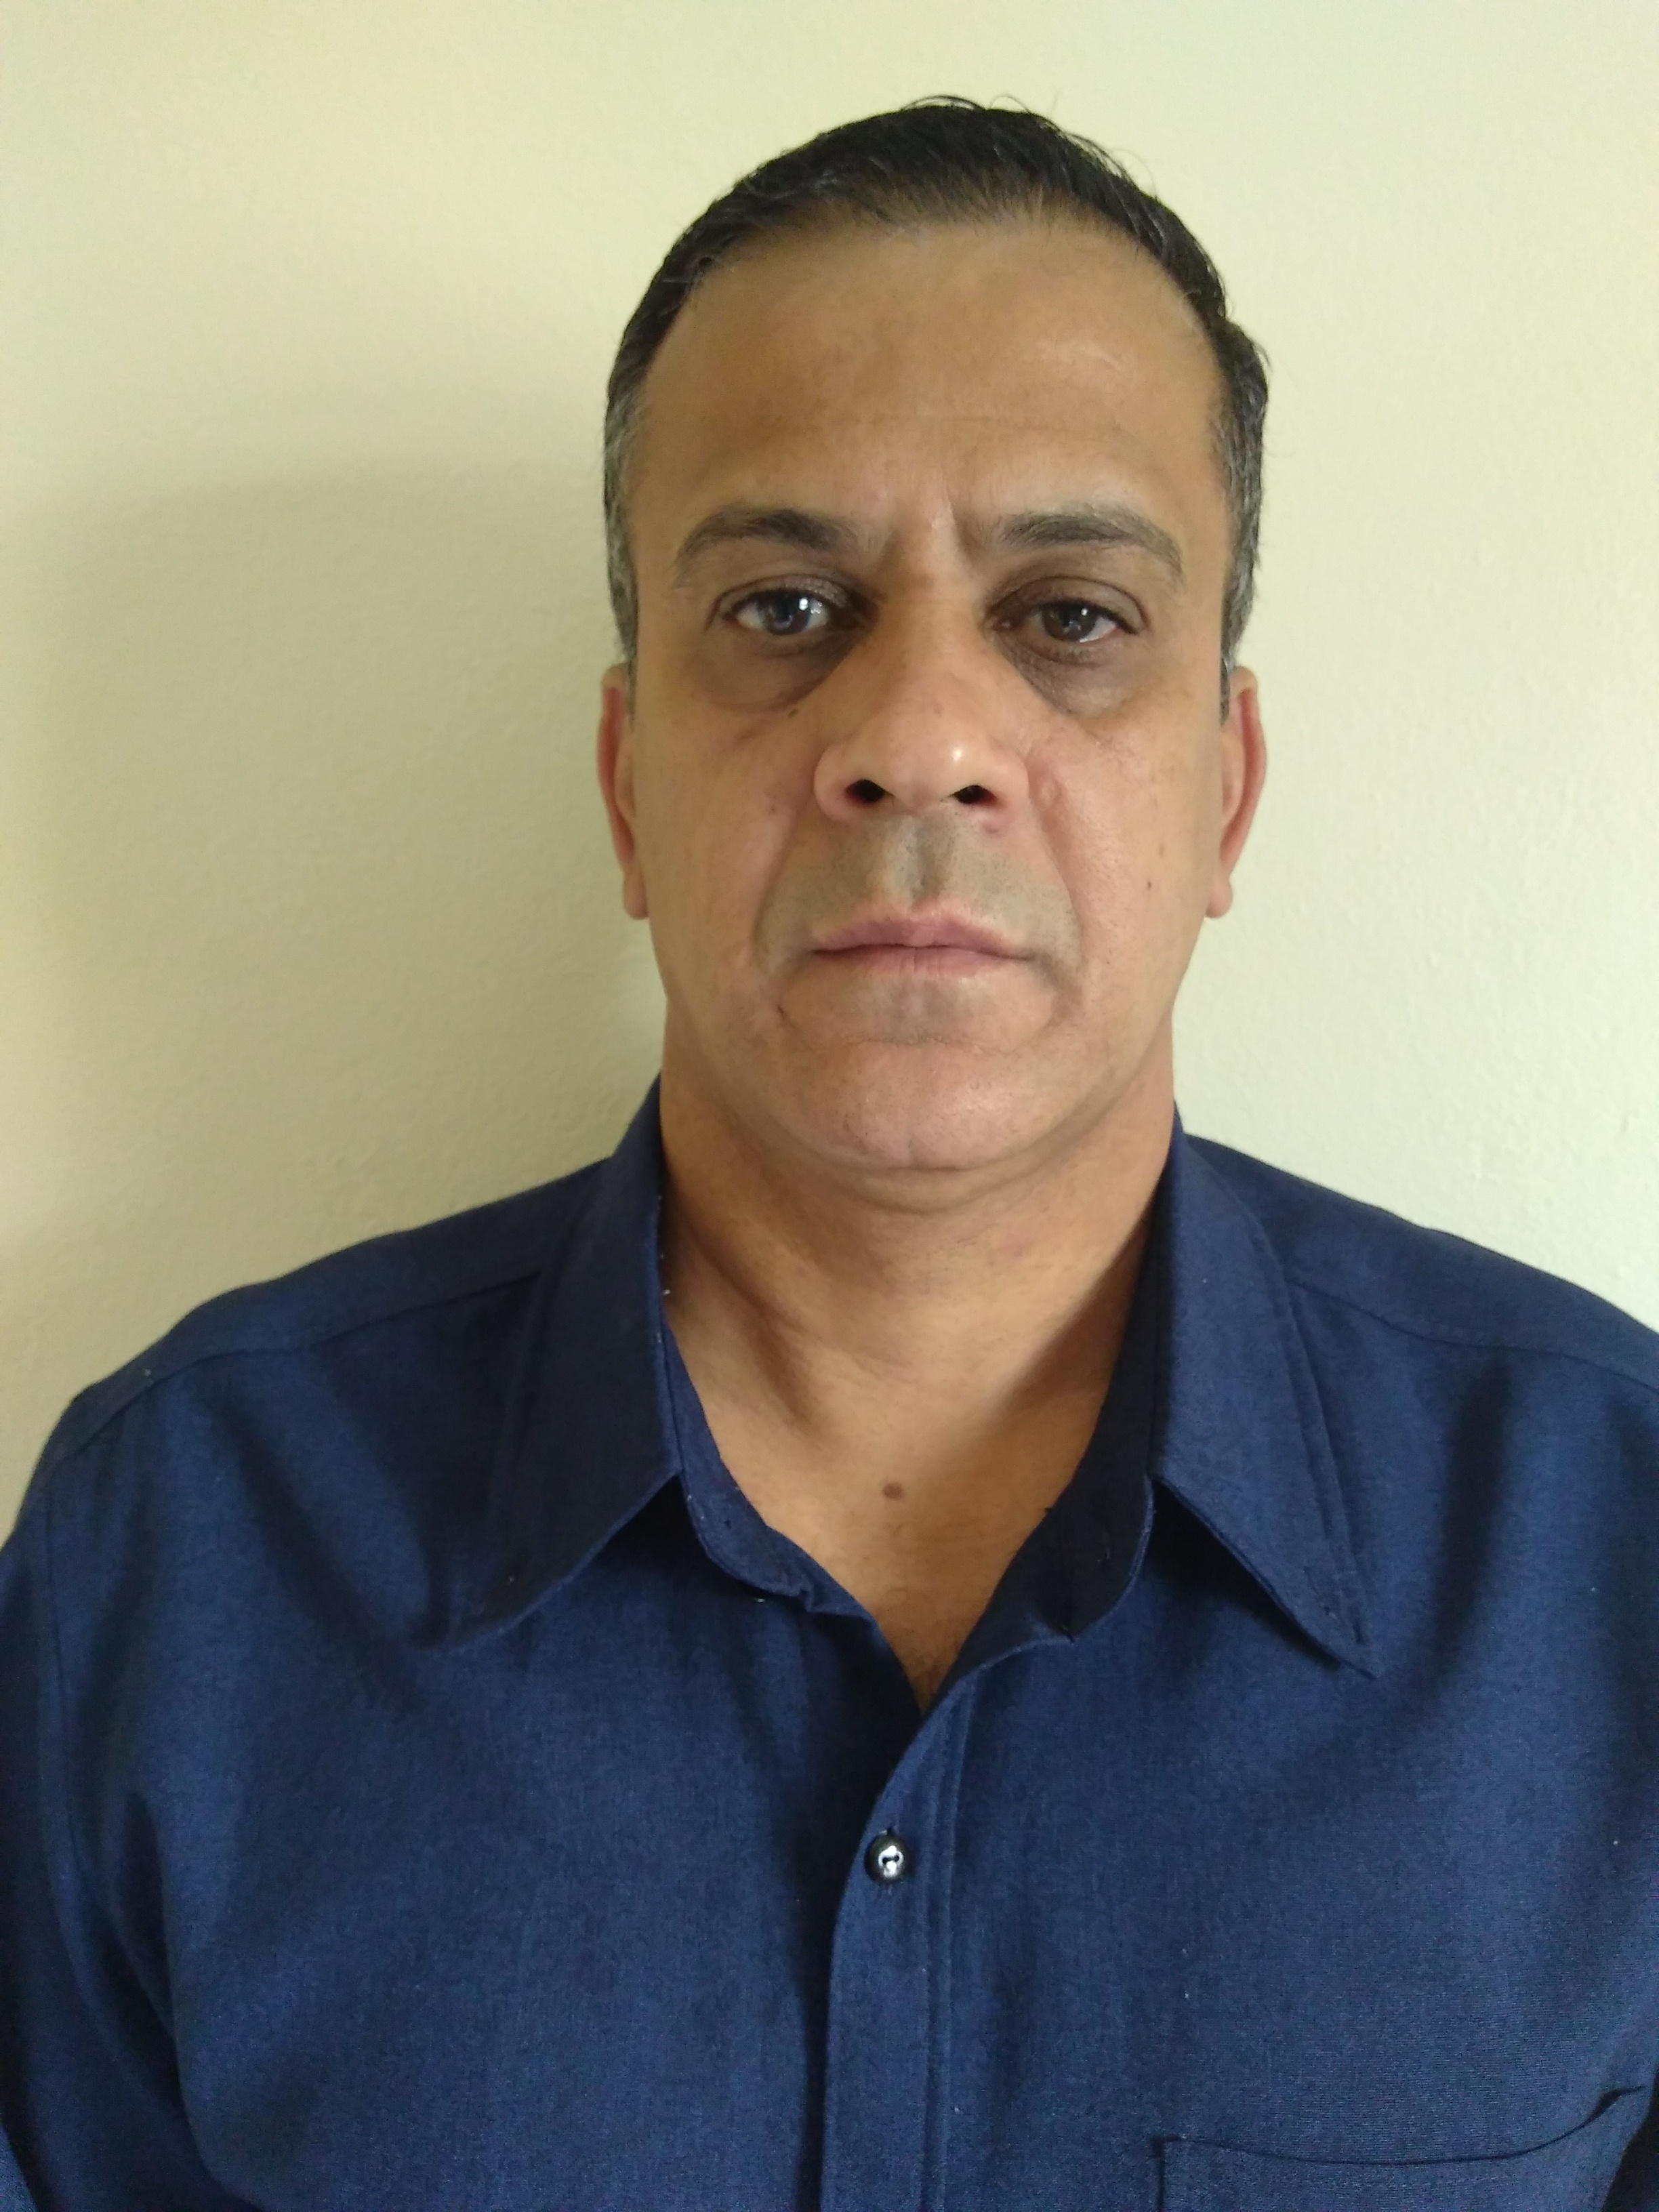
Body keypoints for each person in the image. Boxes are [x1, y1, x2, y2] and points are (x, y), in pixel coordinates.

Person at [1, 98, 1656, 2212]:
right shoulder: (180, 1557)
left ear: (1226, 796)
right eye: (787, 608)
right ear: (629, 787)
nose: (922, 739)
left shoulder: (1609, 1552)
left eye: (1071, 616)